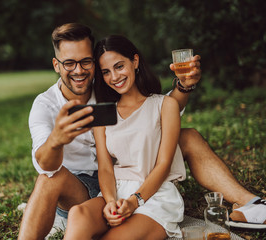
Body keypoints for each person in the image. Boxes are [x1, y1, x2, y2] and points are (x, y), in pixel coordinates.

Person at [18, 23, 264, 240]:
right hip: (83, 188)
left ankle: (250, 203)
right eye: (69, 63)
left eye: (85, 62)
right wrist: (57, 140)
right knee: (49, 179)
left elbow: (153, 114)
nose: (79, 71)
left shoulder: (104, 87)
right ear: (56, 65)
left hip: (131, 180)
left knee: (187, 135)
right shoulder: (46, 105)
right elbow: (46, 165)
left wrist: (183, 85)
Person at [64, 34, 187, 239]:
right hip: (116, 192)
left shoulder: (165, 105)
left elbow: (164, 164)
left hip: (153, 196)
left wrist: (134, 201)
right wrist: (111, 200)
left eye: (119, 66)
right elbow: (104, 166)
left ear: (135, 61)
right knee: (78, 213)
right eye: (106, 72)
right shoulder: (103, 113)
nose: (114, 77)